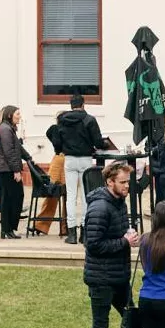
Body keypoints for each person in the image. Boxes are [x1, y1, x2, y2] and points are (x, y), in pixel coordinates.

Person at [84, 161, 142, 328]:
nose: (128, 186)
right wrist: (124, 242)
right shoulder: (100, 207)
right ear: (110, 182)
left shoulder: (119, 202)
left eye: (129, 182)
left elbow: (116, 235)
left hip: (119, 275)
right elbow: (93, 244)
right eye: (123, 182)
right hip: (101, 278)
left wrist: (128, 236)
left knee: (131, 320)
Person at [56, 94, 106, 244]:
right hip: (85, 159)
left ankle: (71, 233)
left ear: (70, 105)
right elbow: (97, 141)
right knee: (86, 196)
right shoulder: (89, 119)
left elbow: (57, 141)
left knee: (71, 196)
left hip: (69, 159)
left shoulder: (62, 120)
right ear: (83, 104)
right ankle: (84, 232)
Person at [0, 106, 24, 239]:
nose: (19, 116)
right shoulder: (5, 129)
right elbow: (9, 152)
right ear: (10, 115)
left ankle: (7, 229)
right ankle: (7, 229)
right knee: (12, 198)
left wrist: (28, 158)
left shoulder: (8, 128)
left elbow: (17, 148)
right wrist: (16, 170)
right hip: (6, 170)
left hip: (7, 168)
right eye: (17, 114)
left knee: (10, 198)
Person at [34, 114, 67, 236]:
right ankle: (65, 227)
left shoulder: (55, 129)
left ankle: (42, 225)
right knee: (63, 194)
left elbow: (52, 137)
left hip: (59, 159)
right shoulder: (58, 129)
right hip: (66, 159)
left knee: (53, 193)